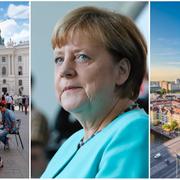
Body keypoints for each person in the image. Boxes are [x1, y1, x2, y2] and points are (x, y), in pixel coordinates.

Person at [41, 6, 148, 178]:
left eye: (82, 56)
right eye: (59, 59)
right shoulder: (73, 141)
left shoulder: (136, 130)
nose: (64, 70)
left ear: (121, 71)